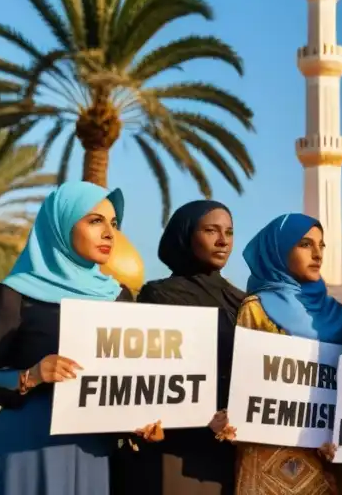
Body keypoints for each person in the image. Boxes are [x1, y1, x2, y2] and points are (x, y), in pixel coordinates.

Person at [0, 182, 160, 495]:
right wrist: (32, 375)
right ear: (61, 224)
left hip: (95, 454)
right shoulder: (14, 294)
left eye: (114, 224)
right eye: (95, 221)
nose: (110, 233)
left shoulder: (118, 297)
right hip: (24, 452)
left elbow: (125, 382)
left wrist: (140, 422)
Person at [208, 212, 342, 494]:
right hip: (265, 462)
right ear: (279, 249)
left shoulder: (341, 316)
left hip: (324, 463)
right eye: (305, 244)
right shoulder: (257, 308)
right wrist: (230, 420)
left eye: (321, 245)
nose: (317, 253)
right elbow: (246, 386)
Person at [121, 200, 245, 495]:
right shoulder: (160, 294)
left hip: (232, 447)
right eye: (210, 230)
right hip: (179, 447)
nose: (222, 240)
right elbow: (151, 372)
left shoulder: (242, 301)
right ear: (186, 235)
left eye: (229, 232)